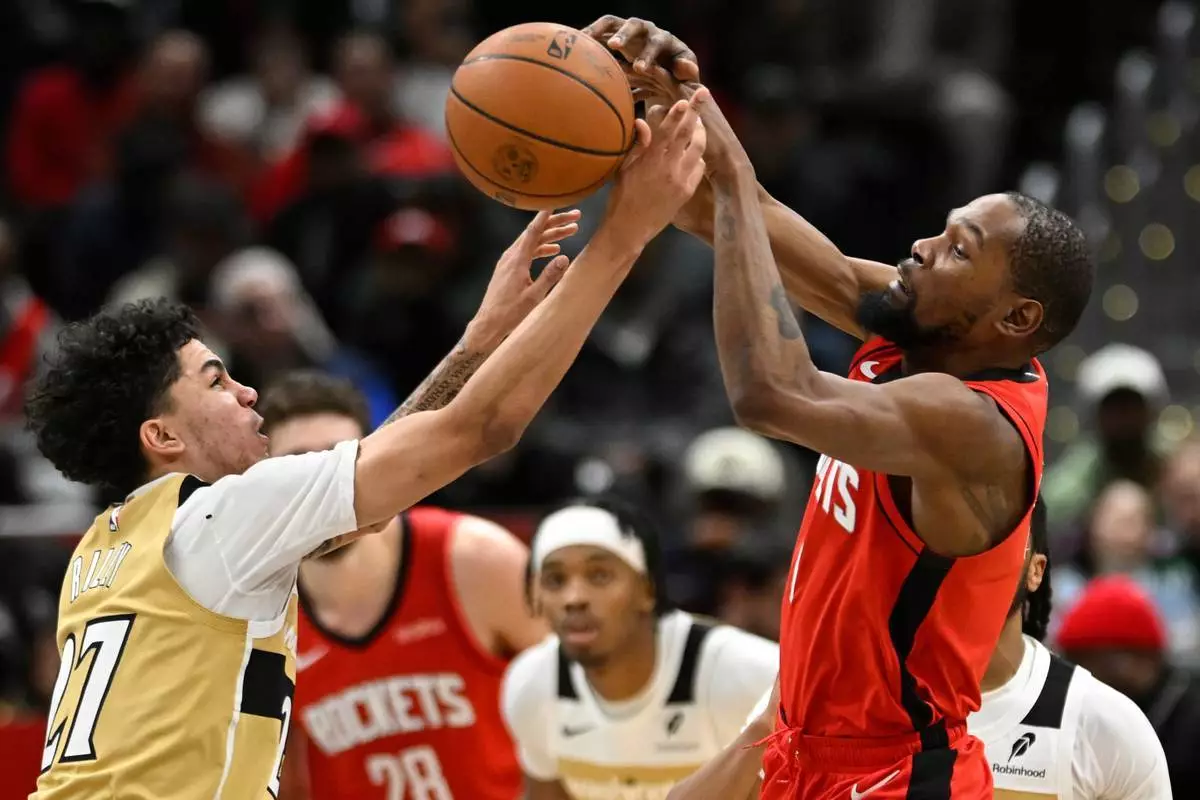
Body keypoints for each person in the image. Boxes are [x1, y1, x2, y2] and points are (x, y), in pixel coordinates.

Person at [24, 94, 708, 800]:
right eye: (217, 381)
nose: (248, 393)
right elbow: (483, 428)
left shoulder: (106, 550)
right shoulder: (220, 517)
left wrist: (478, 342)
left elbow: (371, 499)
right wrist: (625, 233)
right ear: (162, 435)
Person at [582, 18, 1093, 797]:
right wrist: (660, 115)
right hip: (804, 748)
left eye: (958, 250)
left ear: (1015, 319)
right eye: (942, 231)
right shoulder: (924, 329)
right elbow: (729, 218)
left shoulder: (971, 423)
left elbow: (772, 391)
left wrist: (733, 171)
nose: (922, 248)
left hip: (895, 775)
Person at [667, 498, 1173, 800]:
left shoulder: (1099, 723)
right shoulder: (837, 688)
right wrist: (769, 724)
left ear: (1035, 570)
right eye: (949, 537)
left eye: (996, 539)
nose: (970, 554)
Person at [257, 371, 546, 799]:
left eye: (336, 461)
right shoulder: (258, 614)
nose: (321, 487)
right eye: (298, 465)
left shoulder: (474, 559)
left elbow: (581, 703)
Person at [502, 497, 778, 800]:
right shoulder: (531, 684)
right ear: (535, 596)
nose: (574, 598)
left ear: (647, 589)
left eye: (599, 576)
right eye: (555, 580)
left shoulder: (749, 674)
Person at [1057, 575, 1200, 798]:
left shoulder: (1188, 721)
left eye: (1095, 660)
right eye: (1074, 659)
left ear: (1147, 657)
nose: (1081, 672)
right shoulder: (1071, 709)